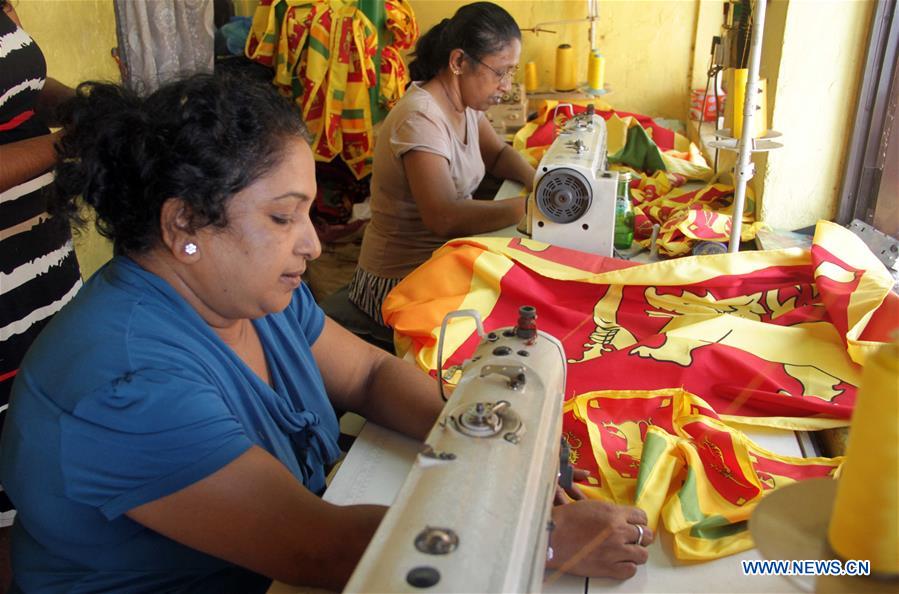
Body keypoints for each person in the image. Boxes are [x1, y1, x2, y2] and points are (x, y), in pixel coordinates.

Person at [0, 74, 652, 593]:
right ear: (183, 226)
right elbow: (320, 547)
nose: (312, 243)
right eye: (284, 217)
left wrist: (484, 441)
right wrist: (536, 538)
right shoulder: (126, 385)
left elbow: (367, 375)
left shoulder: (247, 294)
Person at [349, 1, 536, 326]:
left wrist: (540, 183)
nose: (506, 85)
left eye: (511, 72)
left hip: (437, 266)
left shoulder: (466, 105)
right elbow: (443, 216)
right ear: (459, 61)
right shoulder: (421, 117)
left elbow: (498, 155)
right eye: (500, 72)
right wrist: (532, 207)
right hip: (398, 284)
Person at [0, 0, 83, 523]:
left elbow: (21, 88)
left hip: (42, 259)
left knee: (51, 432)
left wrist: (88, 106)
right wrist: (69, 143)